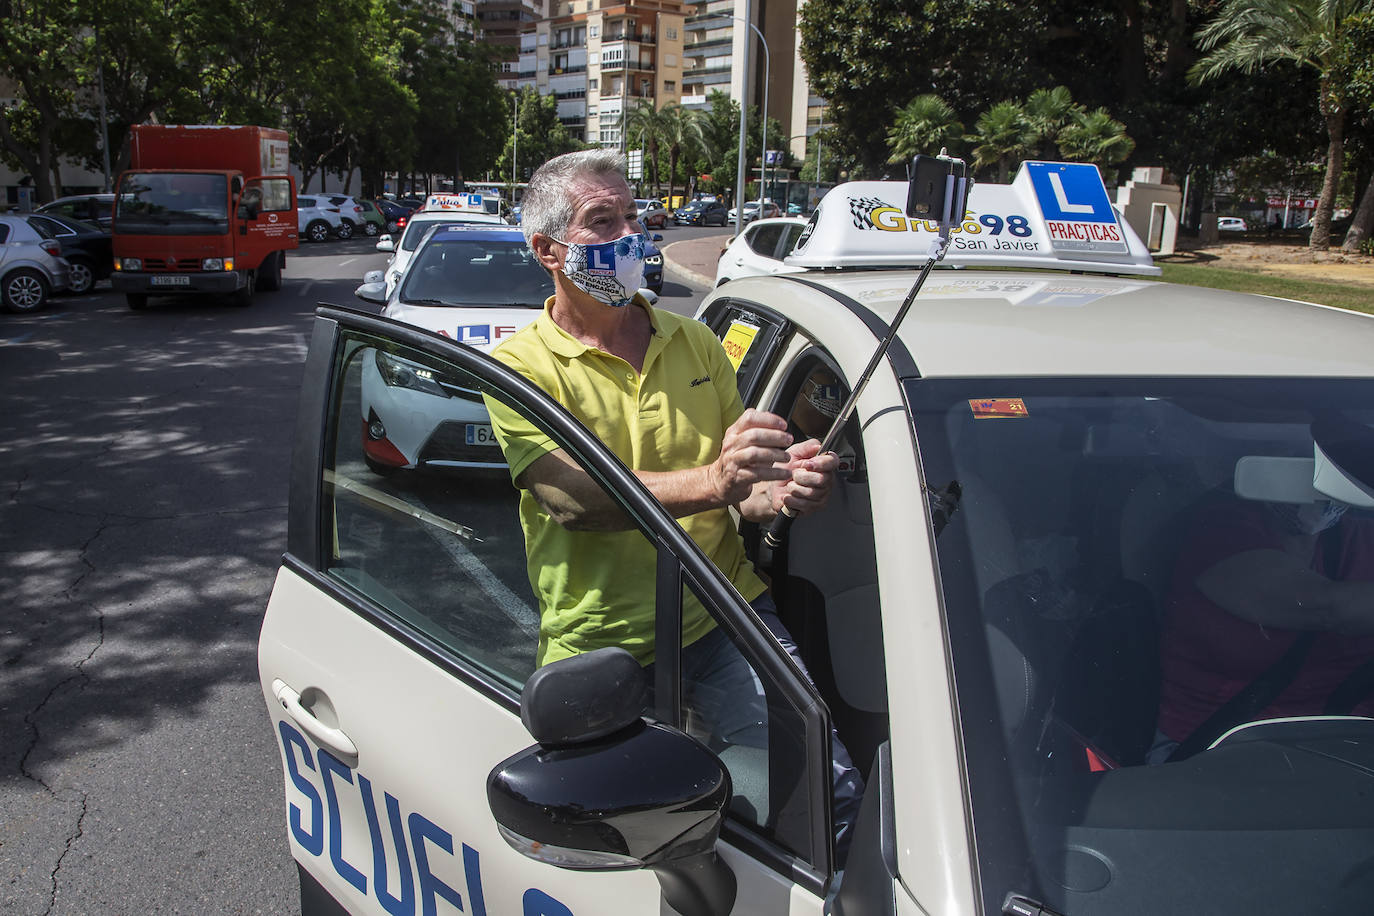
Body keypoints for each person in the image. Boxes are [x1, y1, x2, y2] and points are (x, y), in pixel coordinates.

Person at [484, 148, 863, 860]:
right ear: (548, 251)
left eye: (633, 215)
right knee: (617, 839)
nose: (632, 235)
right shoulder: (520, 366)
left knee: (825, 796)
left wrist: (783, 488)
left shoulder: (693, 341)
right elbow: (571, 499)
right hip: (600, 645)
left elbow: (745, 491)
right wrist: (717, 482)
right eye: (604, 221)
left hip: (725, 616)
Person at [1152, 496, 1374, 763]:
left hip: (1342, 743)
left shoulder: (1355, 537)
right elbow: (1326, 607)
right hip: (1217, 751)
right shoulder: (1220, 530)